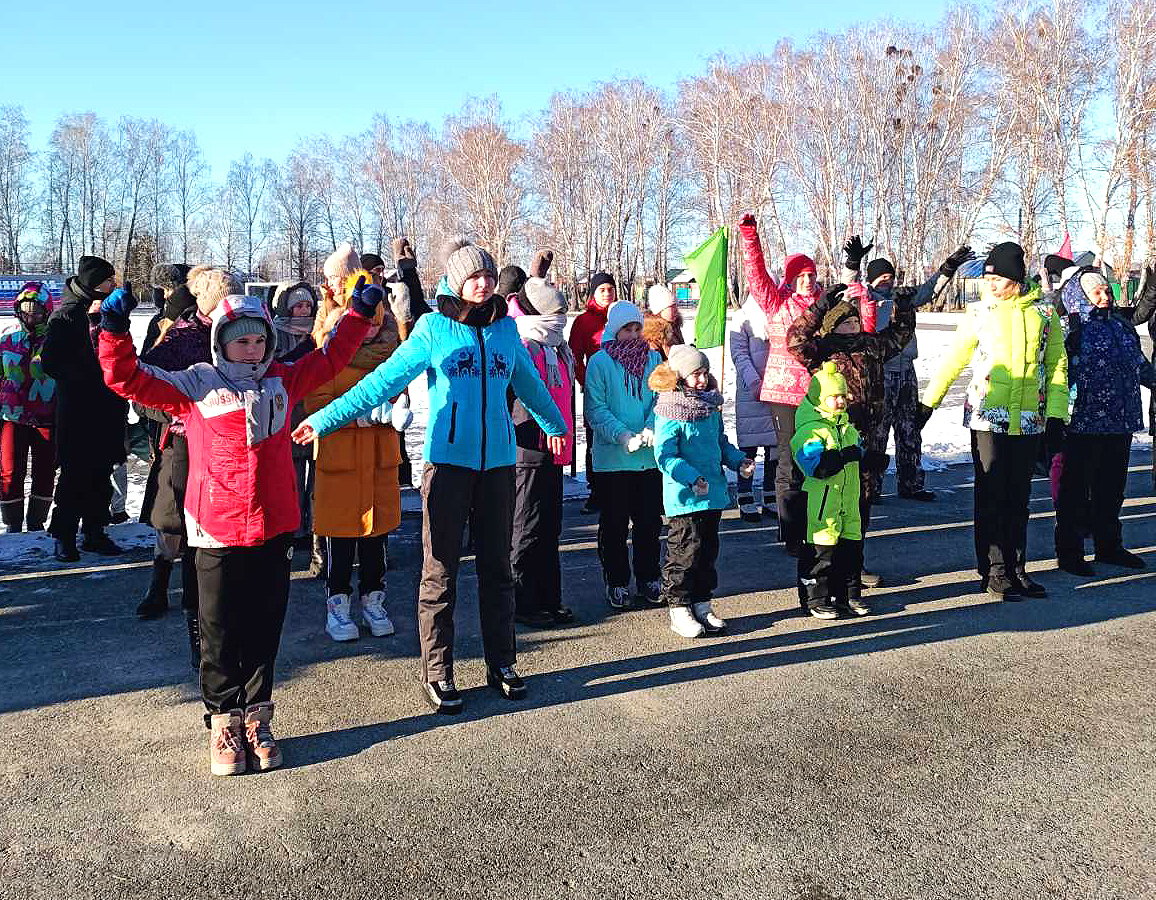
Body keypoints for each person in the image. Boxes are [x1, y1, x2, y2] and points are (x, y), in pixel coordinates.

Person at [98, 278, 380, 775]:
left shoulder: (283, 379)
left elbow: (331, 359)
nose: (251, 350)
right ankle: (223, 721)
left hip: (272, 527)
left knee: (264, 626)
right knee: (219, 630)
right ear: (221, 340)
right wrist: (115, 331)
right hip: (215, 529)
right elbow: (126, 378)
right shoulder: (195, 384)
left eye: (258, 340)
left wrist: (357, 315)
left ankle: (257, 716)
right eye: (240, 340)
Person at [293, 241, 568, 715]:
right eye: (472, 277)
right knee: (440, 570)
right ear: (455, 281)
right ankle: (437, 670)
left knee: (498, 570)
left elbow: (529, 385)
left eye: (486, 276)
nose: (481, 284)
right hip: (447, 466)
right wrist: (324, 420)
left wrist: (555, 425)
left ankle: (501, 662)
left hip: (498, 465)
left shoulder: (506, 331)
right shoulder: (433, 329)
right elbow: (381, 382)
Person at [918, 242, 1068, 600]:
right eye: (987, 278)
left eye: (997, 277)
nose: (990, 284)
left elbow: (1057, 365)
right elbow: (955, 358)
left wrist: (1058, 414)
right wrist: (928, 402)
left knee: (1019, 497)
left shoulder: (1045, 316)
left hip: (1030, 418)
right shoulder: (979, 313)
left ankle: (1018, 569)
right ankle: (994, 570)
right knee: (991, 496)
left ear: (1015, 279)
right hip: (988, 417)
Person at [134, 266, 237, 675]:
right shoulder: (181, 335)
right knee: (173, 524)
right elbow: (143, 390)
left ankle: (200, 633)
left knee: (206, 537)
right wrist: (178, 414)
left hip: (225, 444)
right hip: (183, 443)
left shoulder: (239, 333)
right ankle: (158, 585)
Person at [785, 278, 916, 588]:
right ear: (833, 326)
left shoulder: (871, 345)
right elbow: (795, 340)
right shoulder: (822, 350)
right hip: (834, 439)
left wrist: (904, 306)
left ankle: (854, 569)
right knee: (832, 509)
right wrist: (819, 307)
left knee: (860, 508)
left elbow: (900, 335)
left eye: (856, 319)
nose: (854, 324)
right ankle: (826, 572)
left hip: (866, 440)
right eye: (846, 321)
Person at [306, 270, 409, 642]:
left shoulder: (392, 357)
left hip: (379, 462)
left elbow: (400, 394)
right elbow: (315, 404)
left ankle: (374, 600)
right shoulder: (327, 356)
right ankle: (337, 605)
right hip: (341, 462)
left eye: (375, 319)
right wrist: (359, 417)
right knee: (340, 540)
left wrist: (398, 408)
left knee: (376, 540)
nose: (368, 328)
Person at [844, 241, 973, 504]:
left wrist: (949, 267)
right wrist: (853, 264)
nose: (887, 282)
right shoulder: (865, 301)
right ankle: (871, 487)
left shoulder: (903, 298)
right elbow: (847, 288)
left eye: (890, 277)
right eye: (881, 278)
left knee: (909, 429)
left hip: (907, 373)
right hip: (880, 373)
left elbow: (930, 290)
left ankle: (911, 483)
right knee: (876, 433)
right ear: (871, 280)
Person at [1053, 268, 1154, 574]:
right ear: (1080, 296)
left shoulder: (1122, 327)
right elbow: (1056, 371)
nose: (1105, 297)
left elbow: (1139, 365)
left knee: (1111, 488)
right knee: (1075, 489)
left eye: (1106, 291)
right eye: (1096, 292)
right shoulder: (1071, 328)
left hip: (1120, 421)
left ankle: (1109, 546)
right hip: (1083, 423)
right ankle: (1070, 552)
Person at [650, 344, 753, 638]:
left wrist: (738, 461)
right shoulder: (670, 411)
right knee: (684, 552)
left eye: (705, 373)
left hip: (712, 494)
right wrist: (690, 478)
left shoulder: (709, 407)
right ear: (681, 377)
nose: (702, 379)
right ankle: (679, 607)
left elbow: (720, 444)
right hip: (684, 498)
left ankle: (702, 602)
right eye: (696, 374)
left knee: (707, 552)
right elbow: (665, 456)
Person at [737, 213, 821, 554]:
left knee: (815, 457)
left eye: (811, 275)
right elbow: (756, 276)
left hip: (818, 393)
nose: (806, 280)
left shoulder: (822, 303)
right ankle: (789, 530)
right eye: (799, 275)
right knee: (788, 458)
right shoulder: (777, 302)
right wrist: (749, 237)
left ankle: (815, 522)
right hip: (785, 392)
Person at [40, 255, 127, 562]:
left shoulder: (107, 309)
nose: (112, 285)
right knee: (75, 472)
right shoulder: (66, 314)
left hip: (107, 405)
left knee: (102, 471)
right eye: (107, 280)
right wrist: (87, 377)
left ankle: (94, 531)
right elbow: (50, 361)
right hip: (78, 406)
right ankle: (63, 535)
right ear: (93, 283)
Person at [584, 300, 664, 610]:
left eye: (636, 328)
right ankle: (616, 580)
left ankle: (648, 576)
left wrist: (650, 428)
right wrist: (622, 435)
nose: (632, 334)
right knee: (615, 523)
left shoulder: (654, 358)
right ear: (614, 331)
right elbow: (595, 407)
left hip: (647, 457)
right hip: (613, 458)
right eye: (626, 329)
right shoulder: (600, 362)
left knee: (648, 522)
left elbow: (662, 398)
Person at [791, 362, 887, 619]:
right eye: (834, 397)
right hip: (821, 506)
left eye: (843, 396)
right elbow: (816, 467)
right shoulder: (810, 431)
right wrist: (845, 456)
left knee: (851, 551)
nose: (841, 401)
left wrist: (871, 459)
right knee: (821, 554)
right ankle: (816, 598)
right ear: (819, 398)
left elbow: (858, 454)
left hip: (848, 503)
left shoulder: (847, 428)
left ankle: (848, 595)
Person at [509, 275, 576, 628]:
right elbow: (524, 396)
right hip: (529, 448)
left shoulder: (557, 347)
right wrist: (546, 427)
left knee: (551, 528)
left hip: (555, 449)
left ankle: (550, 598)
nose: (562, 317)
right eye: (556, 311)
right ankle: (523, 601)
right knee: (527, 526)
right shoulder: (524, 344)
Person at [0, 282, 56, 533]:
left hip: (48, 418)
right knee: (10, 471)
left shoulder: (57, 341)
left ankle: (36, 522)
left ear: (46, 311)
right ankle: (12, 523)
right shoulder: (7, 341)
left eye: (36, 310)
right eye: (25, 310)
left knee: (44, 472)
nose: (30, 315)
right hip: (12, 417)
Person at [269, 280, 320, 550]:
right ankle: (295, 528)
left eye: (307, 305)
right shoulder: (275, 332)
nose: (303, 310)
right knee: (292, 476)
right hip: (288, 412)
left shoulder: (320, 329)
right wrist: (301, 355)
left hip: (317, 409)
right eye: (298, 306)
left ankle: (315, 527)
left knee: (317, 478)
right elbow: (275, 365)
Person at [729, 289, 778, 523]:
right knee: (749, 448)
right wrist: (754, 382)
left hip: (777, 389)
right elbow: (739, 355)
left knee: (775, 447)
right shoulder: (742, 317)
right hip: (752, 391)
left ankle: (770, 494)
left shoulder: (778, 312)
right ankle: (745, 493)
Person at [569, 272, 615, 514]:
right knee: (596, 439)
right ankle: (596, 490)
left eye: (610, 289)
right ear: (593, 294)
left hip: (623, 390)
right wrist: (587, 380)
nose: (607, 293)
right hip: (596, 391)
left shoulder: (622, 317)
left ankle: (620, 489)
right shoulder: (584, 322)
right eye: (602, 290)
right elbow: (573, 356)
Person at [643, 284, 684, 359]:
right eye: (671, 307)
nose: (676, 310)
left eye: (676, 306)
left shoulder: (674, 326)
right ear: (659, 311)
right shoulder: (653, 335)